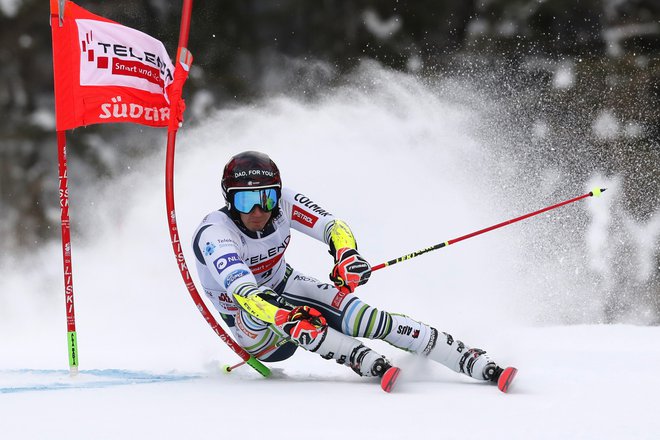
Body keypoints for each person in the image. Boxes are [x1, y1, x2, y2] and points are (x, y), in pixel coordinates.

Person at [192, 151, 516, 392]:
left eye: (267, 197)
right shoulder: (215, 234)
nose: (259, 210)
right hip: (251, 322)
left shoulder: (284, 205)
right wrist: (281, 315)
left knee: (365, 317)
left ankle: (467, 358)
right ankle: (358, 357)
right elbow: (244, 292)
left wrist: (346, 254)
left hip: (285, 282)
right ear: (229, 201)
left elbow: (333, 226)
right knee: (298, 323)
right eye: (246, 200)